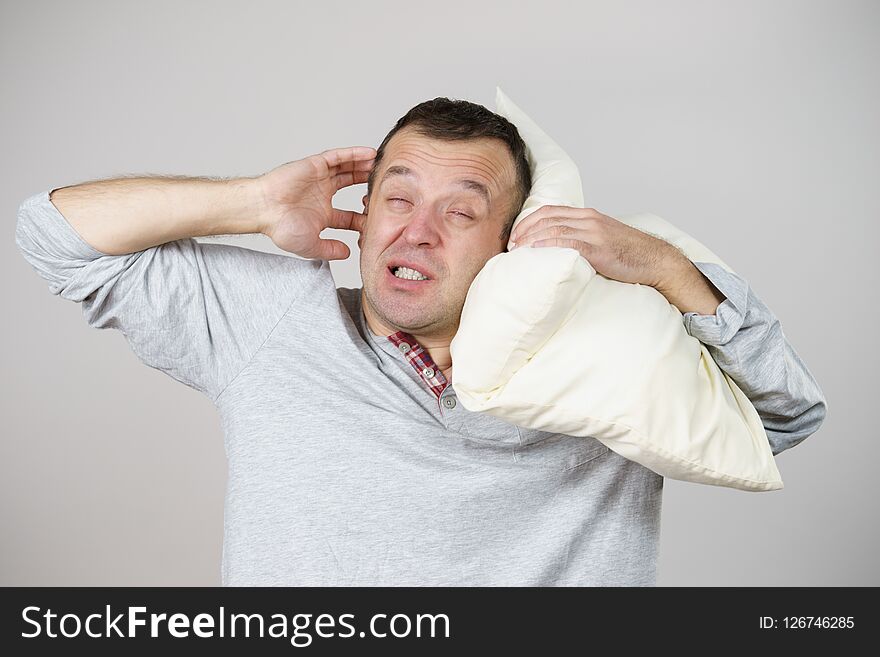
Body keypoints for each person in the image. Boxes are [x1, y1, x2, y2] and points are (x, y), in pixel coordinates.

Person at [15, 97, 827, 586]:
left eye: (462, 212)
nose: (419, 230)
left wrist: (660, 266)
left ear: (514, 245)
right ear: (364, 218)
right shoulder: (276, 324)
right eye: (395, 198)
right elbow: (55, 233)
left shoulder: (603, 364)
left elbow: (780, 417)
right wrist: (254, 201)